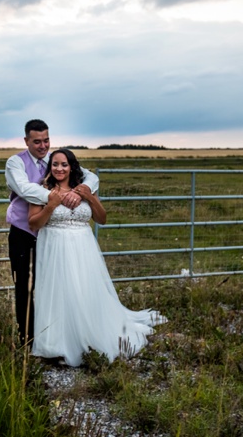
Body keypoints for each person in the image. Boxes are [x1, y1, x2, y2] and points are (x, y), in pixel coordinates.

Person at [28, 148, 167, 367]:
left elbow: (102, 218)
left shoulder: (84, 188)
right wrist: (51, 206)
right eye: (55, 164)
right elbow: (33, 223)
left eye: (64, 164)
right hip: (54, 247)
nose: (59, 169)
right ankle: (58, 344)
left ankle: (90, 337)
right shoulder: (41, 190)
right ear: (50, 167)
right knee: (60, 291)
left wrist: (90, 198)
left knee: (84, 290)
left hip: (83, 248)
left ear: (72, 166)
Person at [5, 120, 99, 348]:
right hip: (23, 232)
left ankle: (57, 334)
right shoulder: (15, 162)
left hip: (51, 236)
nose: (42, 145)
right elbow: (25, 189)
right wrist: (56, 196)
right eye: (36, 141)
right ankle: (27, 338)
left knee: (52, 284)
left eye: (46, 140)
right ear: (26, 140)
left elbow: (91, 178)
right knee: (24, 285)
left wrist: (78, 192)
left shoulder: (54, 160)